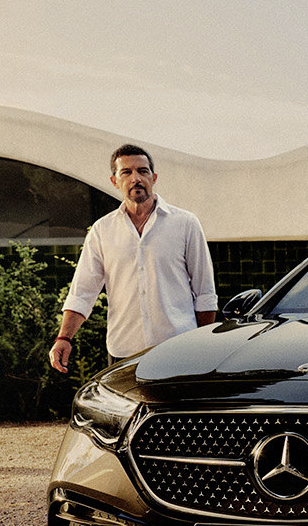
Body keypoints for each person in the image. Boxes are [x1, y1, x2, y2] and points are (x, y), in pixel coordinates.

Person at [50, 143, 218, 372]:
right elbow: (82, 293)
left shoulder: (186, 224)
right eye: (126, 172)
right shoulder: (102, 230)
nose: (136, 178)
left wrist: (201, 345)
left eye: (142, 171)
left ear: (154, 177)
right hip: (123, 354)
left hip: (179, 349)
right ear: (114, 181)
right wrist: (64, 338)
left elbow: (205, 293)